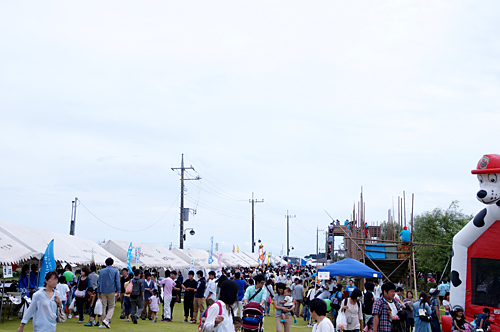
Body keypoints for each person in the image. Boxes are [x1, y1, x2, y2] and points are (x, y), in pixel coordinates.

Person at [96, 258, 120, 328]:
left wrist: (98, 292)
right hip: (111, 290)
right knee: (111, 306)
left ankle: (103, 322)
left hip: (103, 290)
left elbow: (99, 282)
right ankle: (106, 320)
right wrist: (118, 291)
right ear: (112, 263)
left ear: (105, 263)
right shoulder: (115, 271)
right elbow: (117, 281)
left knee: (103, 306)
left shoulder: (101, 271)